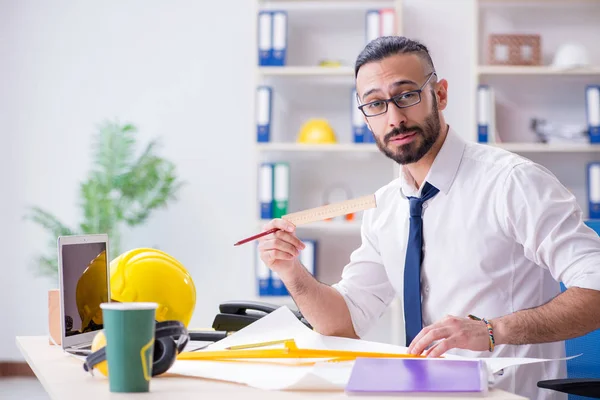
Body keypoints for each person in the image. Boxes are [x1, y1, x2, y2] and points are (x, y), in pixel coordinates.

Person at [257, 36, 600, 400]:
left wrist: (491, 330)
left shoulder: (512, 183)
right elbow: (343, 324)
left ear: (440, 94)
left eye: (406, 95)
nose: (394, 118)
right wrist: (292, 272)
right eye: (375, 104)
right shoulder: (386, 207)